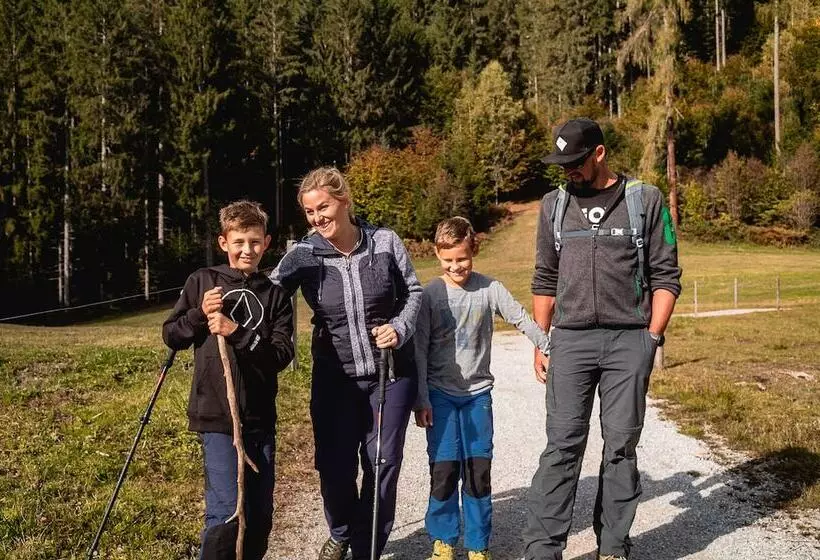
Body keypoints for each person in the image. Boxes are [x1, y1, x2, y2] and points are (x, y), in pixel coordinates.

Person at [524, 118, 682, 560]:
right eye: (562, 164)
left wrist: (652, 339)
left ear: (599, 153)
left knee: (620, 447)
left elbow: (667, 276)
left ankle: (612, 547)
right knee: (562, 446)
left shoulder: (644, 200)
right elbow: (544, 277)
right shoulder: (552, 205)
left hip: (628, 341)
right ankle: (542, 550)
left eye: (575, 162)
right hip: (571, 342)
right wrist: (542, 339)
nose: (568, 171)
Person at [270, 166, 422, 560]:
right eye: (309, 212)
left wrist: (399, 328)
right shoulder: (302, 254)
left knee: (382, 463)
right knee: (335, 467)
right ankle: (340, 531)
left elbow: (414, 292)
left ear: (344, 201)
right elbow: (264, 293)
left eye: (324, 207)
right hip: (335, 378)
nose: (318, 218)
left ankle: (366, 548)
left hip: (390, 375)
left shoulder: (385, 242)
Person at [162, 200, 295, 560]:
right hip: (216, 415)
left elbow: (281, 356)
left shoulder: (277, 296)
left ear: (266, 243)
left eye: (254, 242)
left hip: (259, 418)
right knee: (225, 513)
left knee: (259, 513)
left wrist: (237, 332)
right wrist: (198, 315)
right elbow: (172, 335)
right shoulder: (202, 281)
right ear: (224, 242)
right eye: (239, 242)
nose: (247, 250)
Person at [413, 217, 551, 560]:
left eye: (462, 258)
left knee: (478, 472)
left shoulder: (490, 290)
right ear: (437, 255)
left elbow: (521, 318)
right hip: (441, 397)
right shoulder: (430, 294)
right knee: (444, 472)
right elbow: (418, 348)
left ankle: (478, 545)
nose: (456, 266)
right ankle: (443, 541)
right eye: (448, 260)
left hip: (477, 398)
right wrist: (421, 398)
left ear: (473, 250)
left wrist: (549, 348)